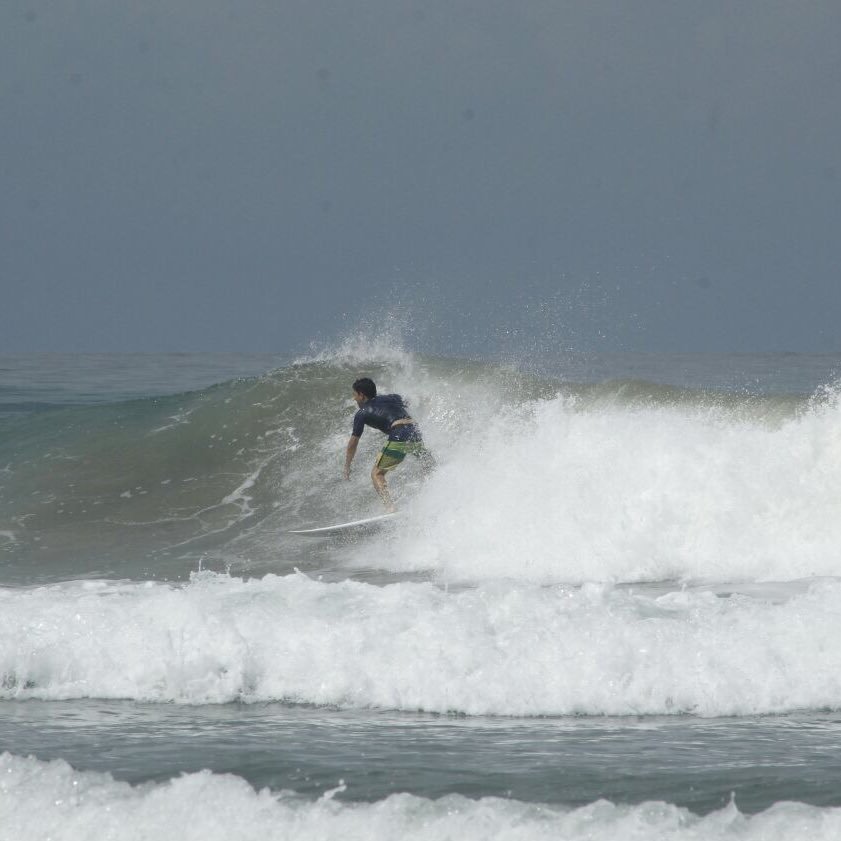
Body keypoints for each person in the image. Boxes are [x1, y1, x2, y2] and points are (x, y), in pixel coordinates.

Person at [343, 377, 434, 512]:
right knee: (428, 463)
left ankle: (390, 508)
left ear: (361, 395)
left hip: (400, 434)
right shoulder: (392, 398)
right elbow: (414, 400)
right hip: (415, 431)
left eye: (355, 395)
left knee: (377, 474)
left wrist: (347, 466)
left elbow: (353, 443)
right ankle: (433, 494)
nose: (354, 398)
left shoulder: (361, 414)